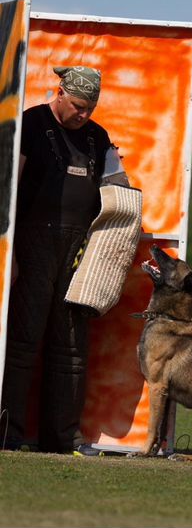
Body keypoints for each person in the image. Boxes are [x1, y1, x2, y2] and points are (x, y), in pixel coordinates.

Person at [1, 66, 129, 456]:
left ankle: (64, 439)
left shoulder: (98, 137)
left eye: (90, 108)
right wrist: (12, 254)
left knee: (72, 348)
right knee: (23, 342)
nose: (84, 115)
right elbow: (10, 187)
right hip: (33, 240)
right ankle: (8, 434)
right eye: (78, 106)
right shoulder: (31, 124)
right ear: (59, 93)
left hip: (79, 251)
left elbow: (119, 191)